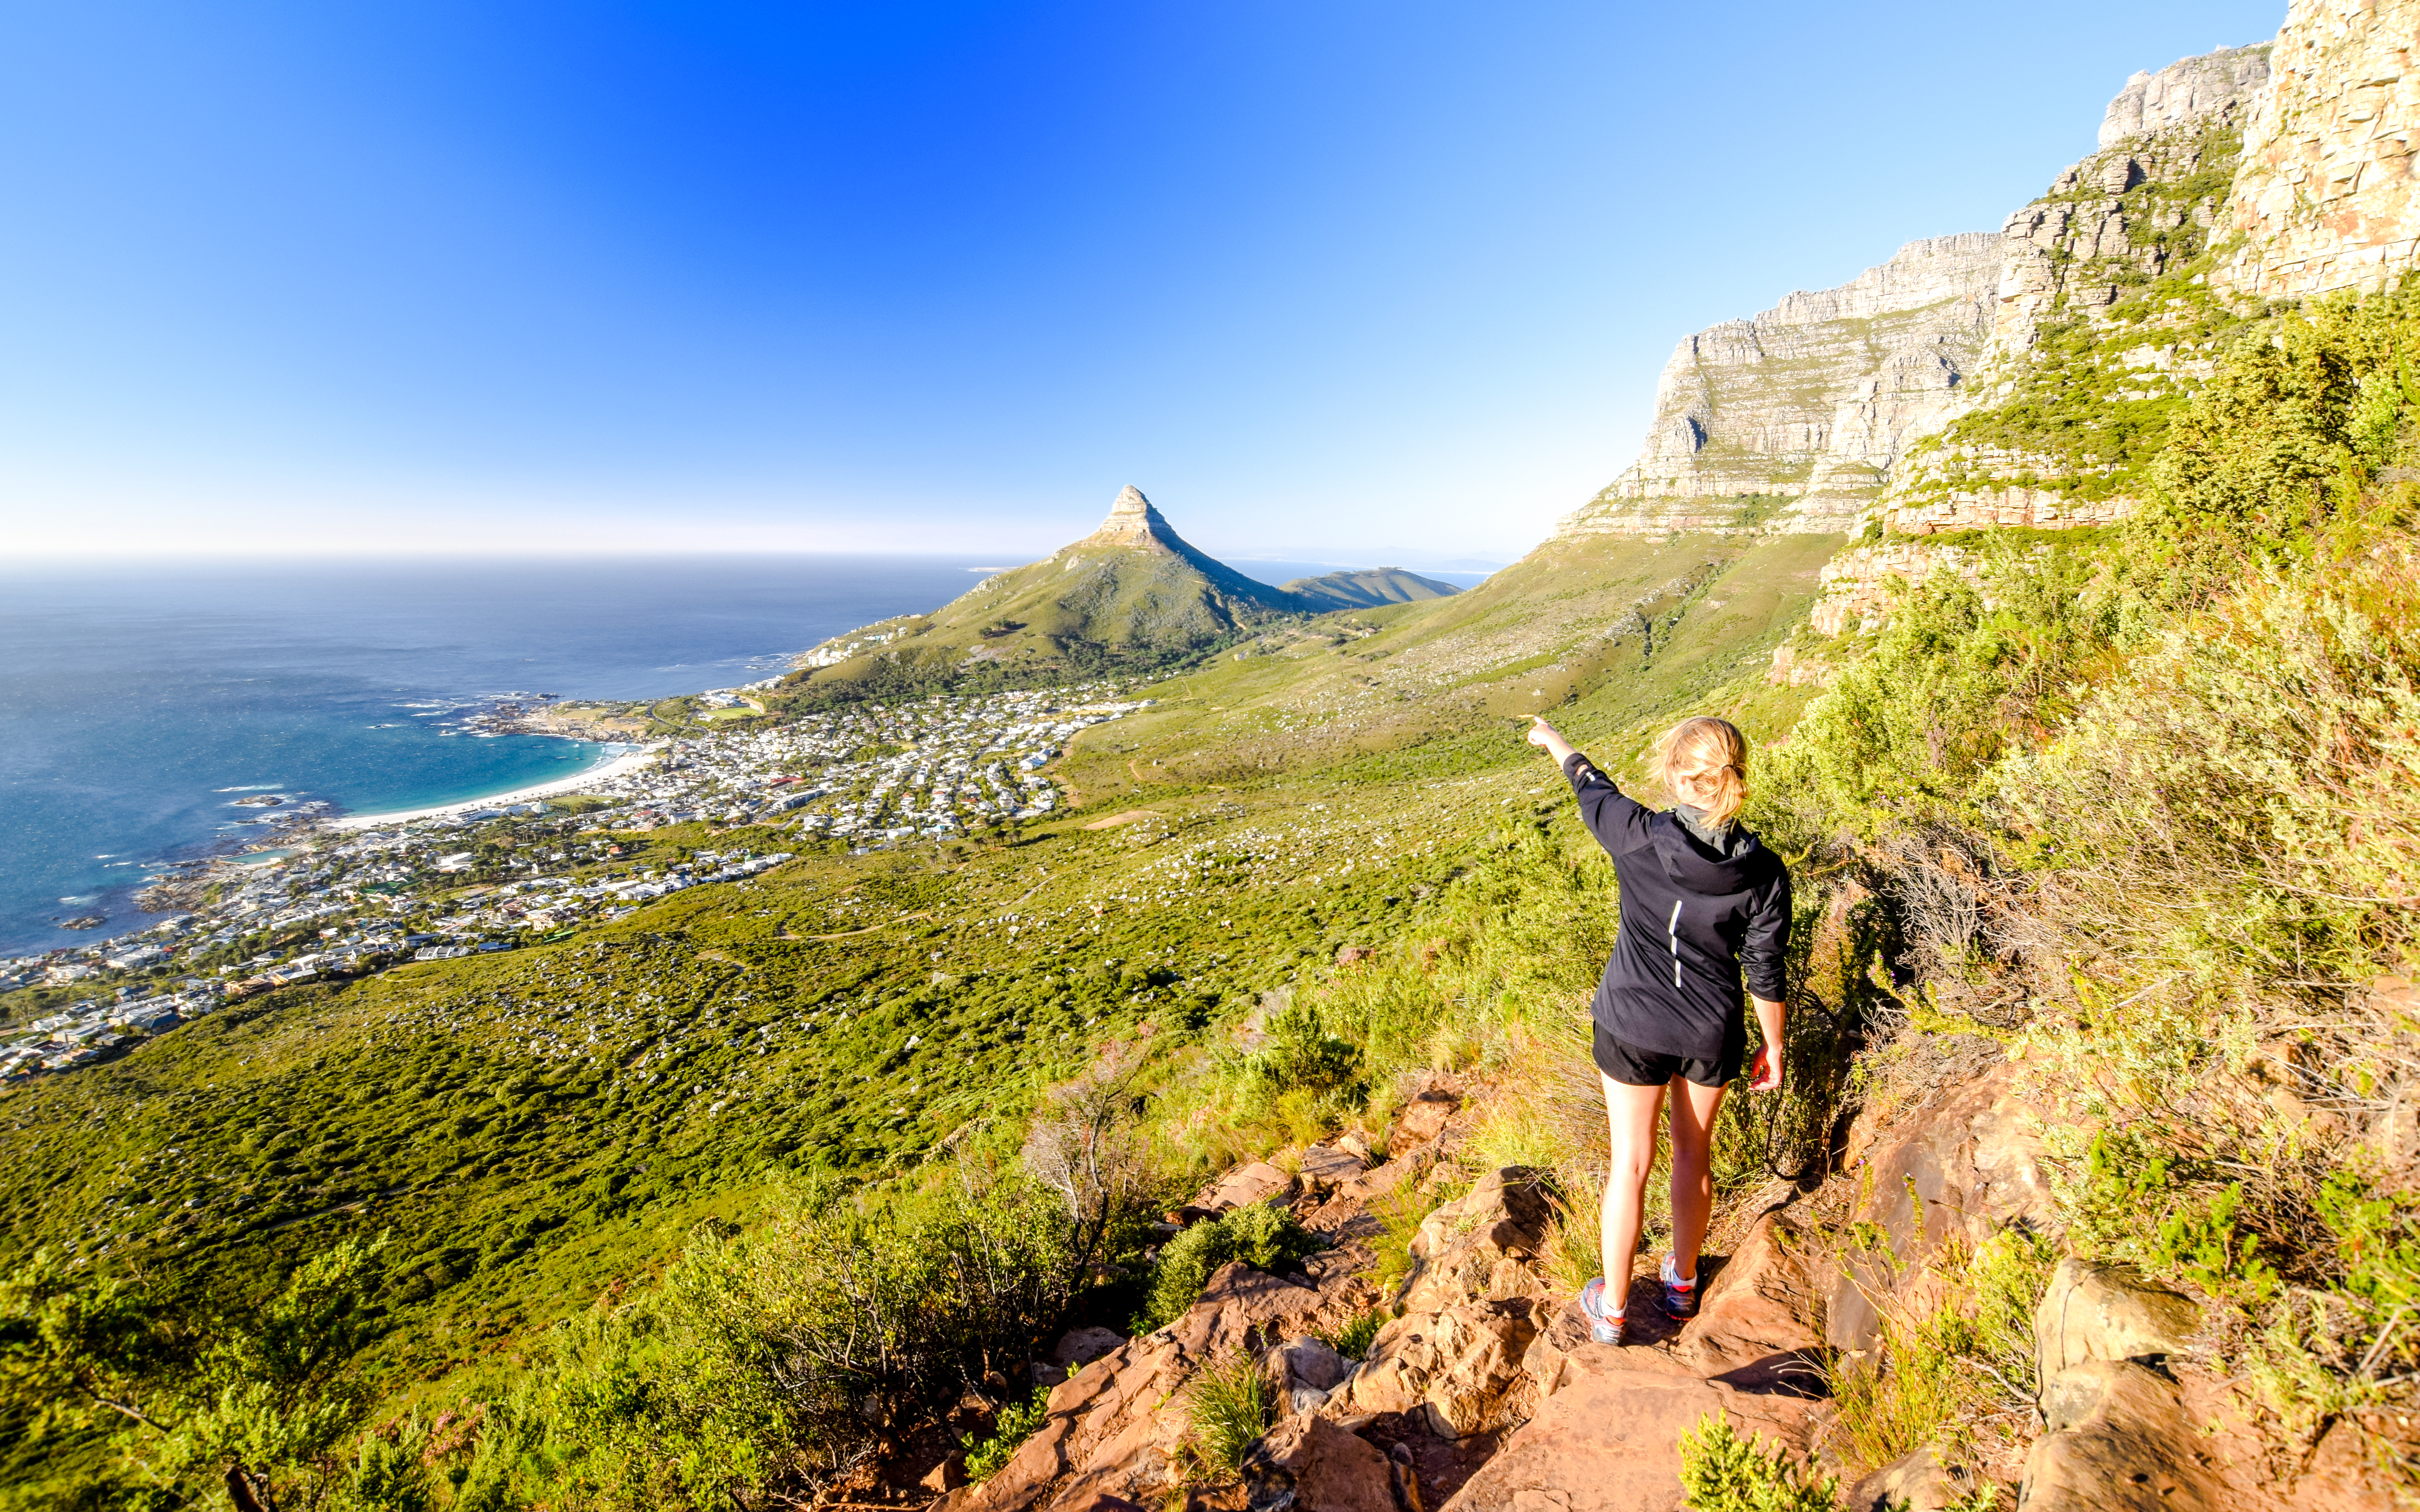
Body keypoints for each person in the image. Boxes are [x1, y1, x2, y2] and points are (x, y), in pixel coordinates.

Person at [1525, 712, 1790, 1344]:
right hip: (1710, 1029)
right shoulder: (1765, 872)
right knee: (1694, 1156)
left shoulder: (1637, 835)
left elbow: (1591, 786)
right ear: (1735, 777)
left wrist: (1556, 740)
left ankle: (1612, 1308)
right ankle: (1682, 1284)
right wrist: (1775, 1045)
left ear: (1676, 775)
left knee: (1630, 1165)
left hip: (1632, 1022)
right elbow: (1764, 967)